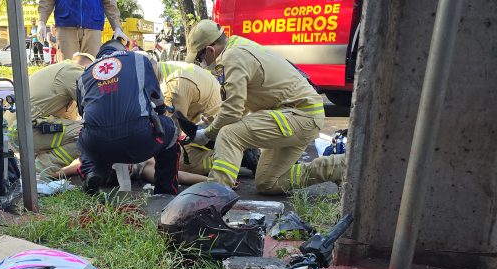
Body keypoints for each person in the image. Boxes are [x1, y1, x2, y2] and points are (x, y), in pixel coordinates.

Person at [185, 20, 346, 194]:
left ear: (210, 49)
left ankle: (214, 195)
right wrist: (210, 121)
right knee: (268, 182)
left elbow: (232, 112)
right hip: (301, 116)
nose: (202, 63)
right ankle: (339, 167)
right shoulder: (239, 46)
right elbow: (239, 103)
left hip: (299, 115)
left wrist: (206, 134)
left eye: (200, 58)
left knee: (228, 135)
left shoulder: (230, 57)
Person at [76, 38, 179, 195]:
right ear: (123, 49)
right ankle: (165, 192)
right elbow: (158, 102)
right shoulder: (138, 59)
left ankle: (92, 172)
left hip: (98, 143)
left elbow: (83, 114)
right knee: (170, 130)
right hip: (137, 137)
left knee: (86, 136)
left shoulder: (85, 74)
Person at [5, 52, 95, 175]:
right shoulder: (75, 72)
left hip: (16, 131)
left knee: (70, 132)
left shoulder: (57, 70)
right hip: (22, 130)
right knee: (86, 135)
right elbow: (94, 109)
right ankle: (40, 171)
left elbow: (69, 122)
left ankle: (35, 170)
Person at [152, 60, 220, 177]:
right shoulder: (165, 68)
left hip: (212, 125)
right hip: (208, 117)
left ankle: (231, 157)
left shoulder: (173, 87)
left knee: (180, 163)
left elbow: (172, 132)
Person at [38, 0, 128, 61]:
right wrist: (42, 21)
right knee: (67, 69)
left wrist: (117, 27)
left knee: (92, 70)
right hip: (66, 26)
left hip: (93, 27)